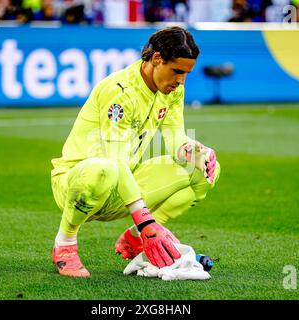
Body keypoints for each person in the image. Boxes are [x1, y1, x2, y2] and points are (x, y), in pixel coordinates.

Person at [50, 26, 221, 277]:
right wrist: (146, 221)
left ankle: (135, 238)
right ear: (156, 59)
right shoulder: (119, 91)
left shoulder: (173, 90)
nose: (181, 80)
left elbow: (175, 137)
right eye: (177, 71)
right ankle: (64, 244)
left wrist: (193, 150)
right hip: (77, 184)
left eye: (186, 73)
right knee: (105, 168)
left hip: (123, 186)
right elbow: (115, 161)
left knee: (204, 170)